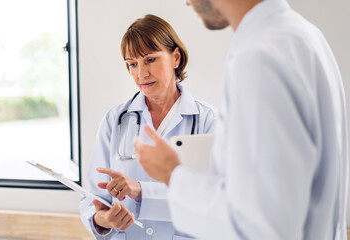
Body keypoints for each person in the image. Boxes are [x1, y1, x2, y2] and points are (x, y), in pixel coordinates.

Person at [134, 0, 348, 240]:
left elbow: (263, 228)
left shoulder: (259, 58)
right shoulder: (305, 36)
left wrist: (172, 175)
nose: (187, 1)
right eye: (132, 64)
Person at [79, 14, 218, 240]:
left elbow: (215, 199)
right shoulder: (114, 120)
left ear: (176, 57)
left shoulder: (209, 121)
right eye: (132, 64)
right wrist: (103, 220)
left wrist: (140, 190)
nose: (141, 74)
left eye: (150, 60)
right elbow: (91, 198)